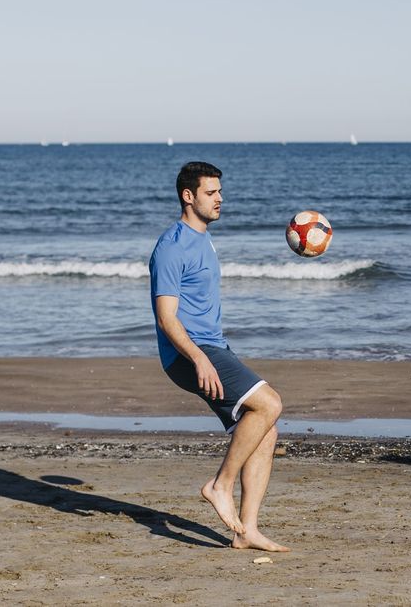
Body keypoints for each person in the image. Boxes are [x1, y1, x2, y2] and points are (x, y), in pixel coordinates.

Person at [149, 161, 289, 552]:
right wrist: (199, 358)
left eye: (220, 192)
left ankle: (247, 532)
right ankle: (219, 485)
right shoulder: (172, 247)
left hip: (211, 347)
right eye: (212, 193)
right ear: (188, 196)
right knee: (269, 404)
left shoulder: (203, 237)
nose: (220, 199)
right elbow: (166, 317)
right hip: (189, 354)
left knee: (264, 428)